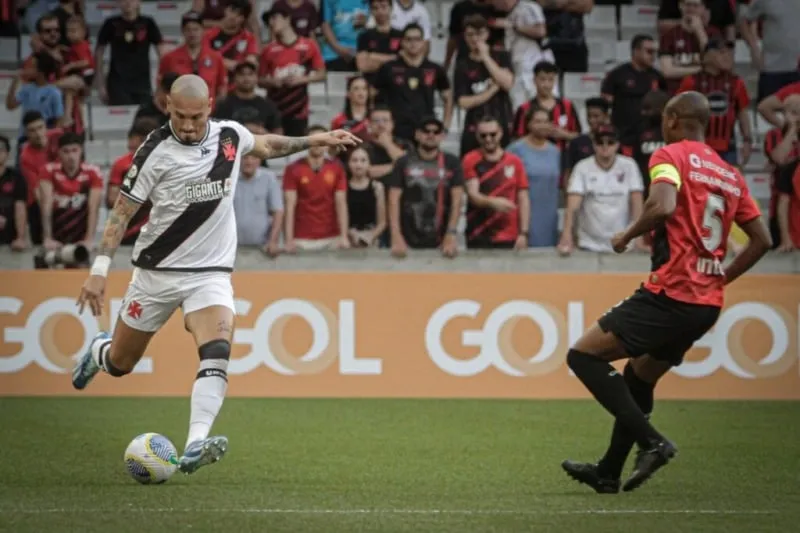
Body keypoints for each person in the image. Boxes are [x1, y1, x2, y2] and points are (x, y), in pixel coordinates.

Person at [72, 74, 360, 474]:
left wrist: (317, 140)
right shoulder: (154, 151)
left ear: (209, 105)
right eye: (180, 117)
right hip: (157, 274)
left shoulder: (229, 135)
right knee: (121, 363)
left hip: (209, 273)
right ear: (167, 108)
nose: (188, 126)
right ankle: (98, 352)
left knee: (217, 350)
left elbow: (267, 145)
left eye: (196, 116)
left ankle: (194, 443)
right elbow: (121, 214)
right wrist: (99, 271)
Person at [560, 91, 771, 493]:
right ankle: (608, 471)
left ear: (672, 119)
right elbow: (762, 239)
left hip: (672, 291)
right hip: (705, 303)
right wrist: (721, 277)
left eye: (663, 118)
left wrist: (626, 234)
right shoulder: (729, 173)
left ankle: (653, 443)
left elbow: (663, 206)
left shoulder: (669, 156)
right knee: (639, 378)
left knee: (582, 356)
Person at [558, 125, 646, 255]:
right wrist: (566, 235)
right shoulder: (582, 167)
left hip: (624, 243)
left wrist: (639, 237)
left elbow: (637, 203)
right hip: (589, 243)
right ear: (593, 145)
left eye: (610, 142)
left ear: (617, 145)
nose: (605, 146)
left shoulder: (629, 166)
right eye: (600, 142)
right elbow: (572, 206)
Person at [388, 116, 463, 258]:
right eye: (426, 131)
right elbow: (393, 200)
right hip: (407, 236)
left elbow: (457, 200)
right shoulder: (403, 162)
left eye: (436, 132)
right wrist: (396, 235)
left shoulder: (452, 162)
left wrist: (451, 234)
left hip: (441, 238)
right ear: (417, 134)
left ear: (442, 136)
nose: (431, 135)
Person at [676, 39, 752, 166]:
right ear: (706, 57)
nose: (728, 56)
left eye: (729, 53)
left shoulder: (736, 82)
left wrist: (747, 140)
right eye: (722, 53)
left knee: (728, 184)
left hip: (728, 147)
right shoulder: (692, 81)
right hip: (697, 147)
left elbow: (743, 113)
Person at [373, 23, 452, 142]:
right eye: (409, 39)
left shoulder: (434, 69)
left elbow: (448, 97)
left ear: (423, 42)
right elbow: (374, 95)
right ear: (402, 42)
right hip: (396, 131)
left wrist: (445, 127)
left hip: (425, 131)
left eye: (417, 39)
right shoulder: (388, 68)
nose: (413, 43)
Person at [462, 116, 529, 250]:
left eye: (493, 134)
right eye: (483, 135)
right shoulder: (470, 159)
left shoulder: (515, 161)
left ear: (501, 133)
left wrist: (524, 233)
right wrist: (493, 202)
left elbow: (523, 197)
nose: (488, 139)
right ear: (477, 136)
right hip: (478, 233)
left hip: (509, 234)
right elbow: (473, 195)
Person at [259, 4, 326, 136]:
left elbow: (322, 74)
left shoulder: (308, 46)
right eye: (269, 20)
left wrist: (301, 79)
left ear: (287, 19)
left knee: (297, 148)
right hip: (275, 108)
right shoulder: (268, 50)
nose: (271, 23)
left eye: (275, 18)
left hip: (299, 109)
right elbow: (259, 80)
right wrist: (274, 82)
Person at [283, 125, 351, 252]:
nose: (318, 144)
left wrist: (344, 236)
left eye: (322, 140)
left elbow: (341, 203)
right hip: (301, 239)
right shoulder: (293, 169)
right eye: (314, 140)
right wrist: (288, 239)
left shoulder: (337, 168)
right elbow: (289, 206)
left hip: (332, 238)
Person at [454, 14, 514, 157]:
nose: (475, 39)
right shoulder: (462, 65)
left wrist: (486, 57)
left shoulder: (502, 56)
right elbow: (463, 102)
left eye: (479, 34)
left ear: (487, 34)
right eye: (470, 35)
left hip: (501, 121)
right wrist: (492, 90)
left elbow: (507, 83)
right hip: (474, 125)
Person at [38, 132, 104, 250]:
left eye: (75, 150)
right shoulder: (48, 171)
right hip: (56, 234)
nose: (71, 156)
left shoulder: (93, 172)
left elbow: (93, 207)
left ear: (81, 151)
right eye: (66, 151)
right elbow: (46, 204)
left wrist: (88, 240)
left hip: (80, 235)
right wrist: (47, 238)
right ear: (59, 152)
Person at [95, 0, 165, 106]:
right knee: (121, 121)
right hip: (117, 83)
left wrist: (160, 86)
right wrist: (100, 84)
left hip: (142, 83)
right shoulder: (111, 23)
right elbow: (99, 53)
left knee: (143, 119)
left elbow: (162, 53)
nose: (128, 3)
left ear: (139, 2)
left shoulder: (148, 23)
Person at [508, 107, 560, 248]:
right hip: (524, 215)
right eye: (537, 121)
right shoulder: (515, 150)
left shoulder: (556, 152)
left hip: (549, 214)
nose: (542, 125)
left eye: (546, 121)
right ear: (529, 124)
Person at [602, 34, 667, 140]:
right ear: (636, 51)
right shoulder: (617, 75)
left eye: (655, 52)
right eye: (649, 52)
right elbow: (606, 101)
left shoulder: (657, 76)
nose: (653, 56)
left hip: (650, 134)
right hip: (622, 132)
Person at [106, 118, 159, 245]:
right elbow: (112, 200)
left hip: (156, 231)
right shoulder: (121, 164)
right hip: (126, 231)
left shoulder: (163, 165)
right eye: (141, 140)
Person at [158, 11, 228, 100]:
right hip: (180, 110)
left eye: (196, 29)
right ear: (182, 31)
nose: (192, 33)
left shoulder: (215, 57)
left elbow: (222, 88)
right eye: (188, 29)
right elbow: (161, 88)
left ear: (203, 31)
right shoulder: (169, 58)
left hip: (208, 110)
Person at [658, 0, 720, 94]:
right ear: (680, 6)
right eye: (688, 4)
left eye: (695, 5)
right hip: (677, 92)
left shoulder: (714, 33)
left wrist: (699, 31)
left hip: (705, 91)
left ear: (703, 8)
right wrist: (702, 69)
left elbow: (714, 63)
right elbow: (667, 71)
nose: (691, 9)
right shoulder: (669, 35)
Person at [621, 90, 669, 197]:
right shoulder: (638, 129)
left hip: (668, 185)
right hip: (643, 184)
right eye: (643, 109)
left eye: (648, 109)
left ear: (662, 109)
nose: (643, 113)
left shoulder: (674, 131)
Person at [203, 0, 259, 89]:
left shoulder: (249, 38)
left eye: (239, 15)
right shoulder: (208, 35)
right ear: (225, 10)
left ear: (243, 19)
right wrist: (233, 65)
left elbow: (250, 63)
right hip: (212, 86)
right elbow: (205, 59)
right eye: (232, 11)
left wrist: (235, 65)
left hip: (236, 88)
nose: (233, 17)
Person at [214, 62, 282, 134]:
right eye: (241, 74)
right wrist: (244, 129)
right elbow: (217, 131)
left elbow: (278, 131)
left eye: (250, 74)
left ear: (256, 78)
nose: (246, 78)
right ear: (234, 78)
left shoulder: (268, 105)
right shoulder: (224, 105)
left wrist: (262, 133)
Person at [356, 0, 402, 87]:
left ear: (391, 8)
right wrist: (393, 58)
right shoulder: (364, 36)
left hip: (396, 86)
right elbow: (362, 66)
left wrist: (373, 56)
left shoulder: (401, 36)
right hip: (372, 85)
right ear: (371, 11)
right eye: (375, 8)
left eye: (384, 7)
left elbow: (403, 63)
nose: (380, 11)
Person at [346, 146, 386, 247]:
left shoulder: (377, 187)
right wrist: (350, 234)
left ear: (369, 164)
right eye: (354, 160)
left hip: (371, 239)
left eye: (363, 160)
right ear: (349, 163)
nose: (358, 165)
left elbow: (383, 222)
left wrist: (371, 236)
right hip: (348, 239)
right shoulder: (343, 188)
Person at [564, 97, 610, 178]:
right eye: (589, 116)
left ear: (606, 116)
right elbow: (568, 172)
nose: (591, 120)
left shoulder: (613, 142)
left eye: (596, 116)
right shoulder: (577, 142)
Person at [0, 135, 28, 250]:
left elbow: (20, 207)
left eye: (1, 149)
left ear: (7, 153)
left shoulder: (16, 177)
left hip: (9, 239)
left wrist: (20, 238)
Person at [330, 75, 371, 143]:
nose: (361, 93)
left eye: (364, 88)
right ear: (348, 93)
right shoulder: (338, 120)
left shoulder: (374, 118)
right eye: (356, 89)